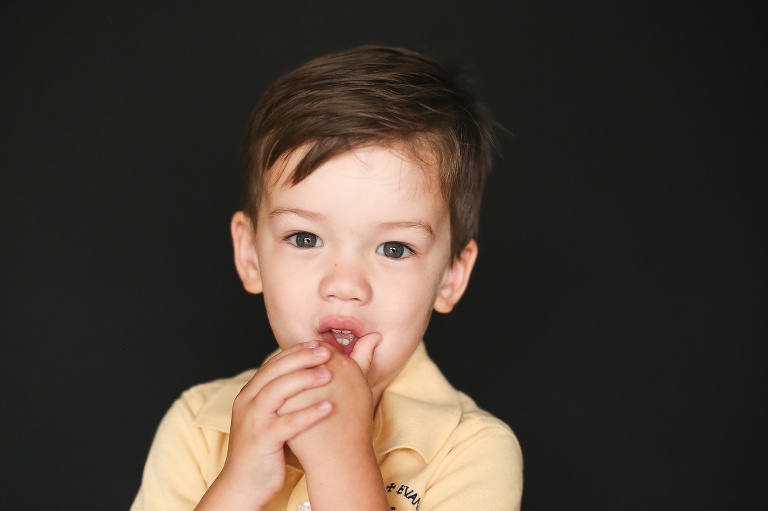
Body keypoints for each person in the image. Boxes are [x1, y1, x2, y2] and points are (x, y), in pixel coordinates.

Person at [130, 44, 523, 511]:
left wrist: (341, 460)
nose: (345, 284)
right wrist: (237, 487)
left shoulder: (472, 450)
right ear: (251, 254)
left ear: (450, 276)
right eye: (304, 238)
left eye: (394, 248)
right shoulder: (198, 425)